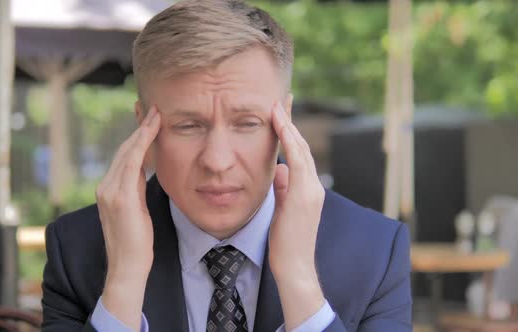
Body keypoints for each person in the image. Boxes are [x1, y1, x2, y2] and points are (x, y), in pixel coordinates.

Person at [41, 1, 412, 331]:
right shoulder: (77, 249)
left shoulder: (375, 251)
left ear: (285, 119)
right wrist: (123, 282)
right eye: (188, 126)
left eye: (247, 123)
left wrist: (299, 279)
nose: (217, 162)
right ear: (144, 128)